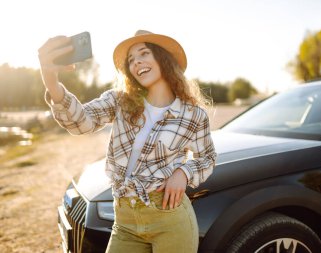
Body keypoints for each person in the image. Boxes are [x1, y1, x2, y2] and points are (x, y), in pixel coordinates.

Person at [38, 30, 217, 253]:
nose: (137, 62)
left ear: (163, 59)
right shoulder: (119, 101)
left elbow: (208, 158)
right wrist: (51, 82)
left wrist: (184, 172)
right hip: (125, 221)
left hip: (170, 217)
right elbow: (80, 122)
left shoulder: (192, 115)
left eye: (144, 53)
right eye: (131, 60)